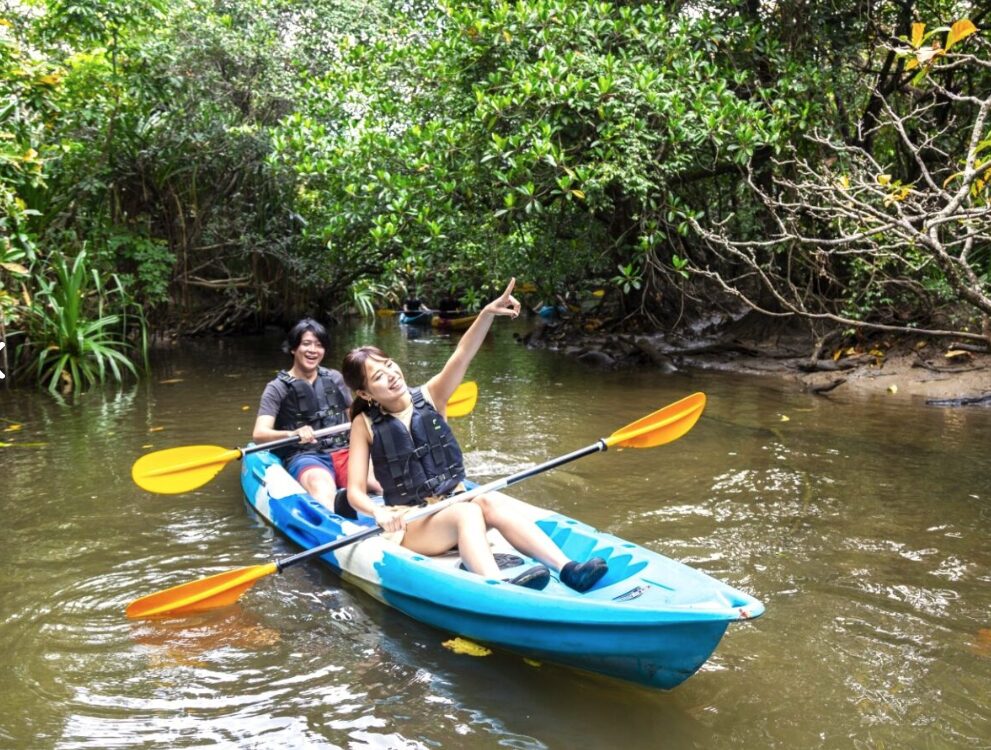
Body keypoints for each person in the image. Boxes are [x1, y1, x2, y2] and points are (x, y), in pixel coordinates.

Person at [341, 279, 608, 592]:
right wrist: (378, 511)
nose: (391, 375)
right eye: (378, 376)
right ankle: (496, 585)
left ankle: (567, 569)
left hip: (452, 501)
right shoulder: (364, 424)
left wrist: (486, 314)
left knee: (486, 501)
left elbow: (462, 353)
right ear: (365, 393)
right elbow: (354, 492)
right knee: (467, 512)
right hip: (413, 522)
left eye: (389, 364)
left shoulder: (432, 396)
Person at [253, 318, 378, 514]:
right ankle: (336, 523)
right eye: (306, 343)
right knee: (321, 485)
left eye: (319, 345)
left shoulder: (335, 378)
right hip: (305, 456)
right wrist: (293, 433)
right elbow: (259, 434)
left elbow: (352, 416)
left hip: (344, 450)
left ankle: (400, 514)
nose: (313, 350)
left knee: (374, 480)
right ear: (294, 348)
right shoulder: (276, 388)